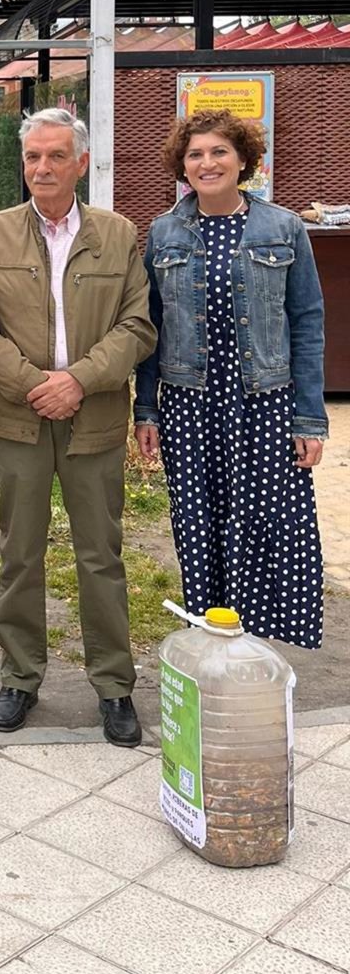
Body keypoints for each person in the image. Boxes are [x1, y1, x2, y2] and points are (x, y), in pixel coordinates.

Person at [0, 108, 156, 746]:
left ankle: (114, 686)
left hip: (93, 416)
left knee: (101, 555)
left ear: (81, 163)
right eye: (32, 156)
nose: (42, 168)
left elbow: (137, 326)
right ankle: (19, 676)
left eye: (55, 156)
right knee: (20, 553)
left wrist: (79, 380)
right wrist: (33, 385)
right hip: (18, 419)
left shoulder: (117, 234)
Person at [135, 111, 327, 647]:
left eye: (219, 151)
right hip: (190, 405)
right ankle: (209, 640)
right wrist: (146, 409)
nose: (207, 163)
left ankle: (256, 647)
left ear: (243, 159)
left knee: (269, 525)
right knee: (199, 528)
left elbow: (307, 321)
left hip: (264, 404)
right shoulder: (164, 232)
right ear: (182, 165)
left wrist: (309, 419)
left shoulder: (283, 228)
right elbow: (150, 326)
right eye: (195, 154)